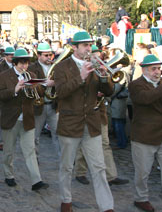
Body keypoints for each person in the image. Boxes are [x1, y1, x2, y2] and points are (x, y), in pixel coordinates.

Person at [52, 31, 114, 212]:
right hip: (70, 123)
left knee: (99, 167)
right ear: (74, 47)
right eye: (85, 45)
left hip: (91, 123)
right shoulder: (62, 67)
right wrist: (81, 77)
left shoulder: (96, 64)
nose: (89, 49)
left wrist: (104, 77)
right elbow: (61, 92)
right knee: (66, 166)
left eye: (90, 45)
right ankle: (66, 200)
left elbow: (109, 91)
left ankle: (106, 206)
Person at [129, 54, 162, 212]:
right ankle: (141, 198)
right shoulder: (136, 85)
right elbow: (145, 99)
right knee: (143, 172)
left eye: (159, 68)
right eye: (153, 69)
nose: (157, 72)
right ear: (144, 70)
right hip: (144, 136)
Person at [74, 45, 129, 187]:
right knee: (83, 144)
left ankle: (111, 176)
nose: (97, 59)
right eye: (94, 56)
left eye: (99, 56)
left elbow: (110, 89)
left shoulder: (102, 69)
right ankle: (80, 172)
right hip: (85, 112)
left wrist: (105, 83)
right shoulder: (81, 68)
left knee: (105, 144)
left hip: (101, 112)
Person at [0, 48, 49, 191]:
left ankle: (36, 180)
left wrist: (35, 88)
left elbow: (40, 92)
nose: (24, 66)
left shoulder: (31, 74)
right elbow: (0, 95)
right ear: (15, 63)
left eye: (26, 63)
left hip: (27, 118)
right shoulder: (3, 76)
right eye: (21, 63)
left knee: (30, 150)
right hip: (10, 118)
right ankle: (9, 175)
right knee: (8, 151)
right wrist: (15, 89)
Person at [27, 42, 60, 161]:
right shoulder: (31, 67)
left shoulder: (56, 66)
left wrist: (56, 82)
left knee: (58, 135)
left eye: (50, 55)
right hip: (38, 106)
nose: (48, 58)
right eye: (45, 55)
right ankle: (34, 159)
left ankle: (64, 159)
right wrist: (45, 83)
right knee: (34, 136)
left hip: (53, 105)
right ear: (39, 55)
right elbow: (30, 83)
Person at [0, 46, 15, 151]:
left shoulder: (17, 65)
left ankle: (11, 140)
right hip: (4, 97)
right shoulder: (0, 67)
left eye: (13, 55)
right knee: (3, 120)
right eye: (10, 55)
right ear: (5, 56)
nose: (12, 57)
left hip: (15, 96)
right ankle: (1, 141)